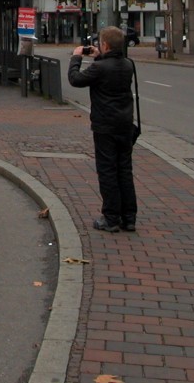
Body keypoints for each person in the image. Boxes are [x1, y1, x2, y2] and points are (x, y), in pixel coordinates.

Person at [67, 25, 137, 232]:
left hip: (105, 125)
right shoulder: (128, 65)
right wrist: (100, 56)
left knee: (107, 170)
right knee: (124, 170)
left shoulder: (99, 68)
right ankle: (129, 217)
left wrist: (76, 57)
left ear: (104, 45)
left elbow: (75, 79)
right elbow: (111, 70)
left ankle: (111, 217)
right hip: (125, 124)